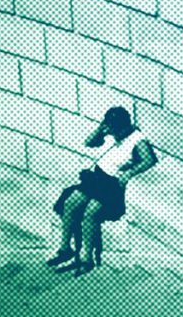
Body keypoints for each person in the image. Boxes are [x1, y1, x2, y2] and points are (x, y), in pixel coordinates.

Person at [46, 106, 157, 277]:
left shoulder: (137, 138)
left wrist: (129, 173)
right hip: (96, 178)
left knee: (90, 213)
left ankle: (86, 258)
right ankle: (65, 248)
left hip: (111, 184)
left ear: (124, 126)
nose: (114, 134)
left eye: (115, 130)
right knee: (70, 203)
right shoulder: (112, 131)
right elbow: (89, 143)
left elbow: (149, 160)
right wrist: (100, 130)